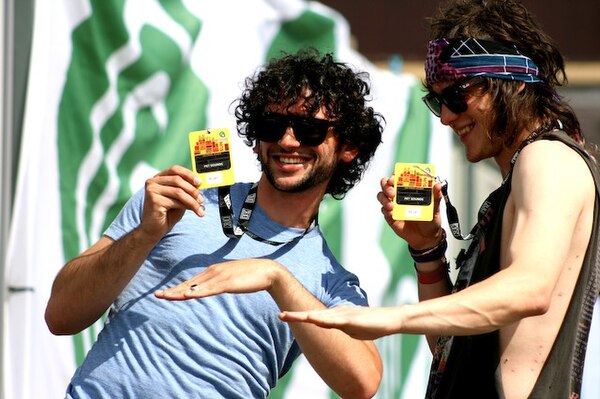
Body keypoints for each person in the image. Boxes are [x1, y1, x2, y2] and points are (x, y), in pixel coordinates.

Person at [280, 1, 600, 398]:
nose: (445, 117)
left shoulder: (547, 158)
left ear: (515, 82)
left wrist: (392, 319)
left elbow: (529, 289)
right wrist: (427, 251)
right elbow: (450, 350)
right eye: (437, 101)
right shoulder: (520, 174)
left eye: (457, 96)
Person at [45, 48, 384, 399]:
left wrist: (277, 279)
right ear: (256, 139)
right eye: (271, 125)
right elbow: (60, 315)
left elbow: (363, 382)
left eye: (309, 129)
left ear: (349, 147)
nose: (287, 140)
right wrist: (143, 235)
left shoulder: (330, 277)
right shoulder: (174, 203)